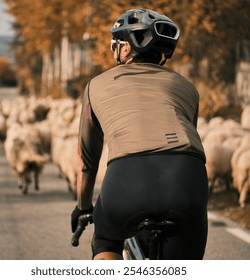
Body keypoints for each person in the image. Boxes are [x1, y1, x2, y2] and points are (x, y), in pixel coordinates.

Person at [71, 8, 208, 260]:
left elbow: (86, 161)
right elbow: (189, 136)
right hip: (187, 180)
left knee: (105, 240)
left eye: (116, 44)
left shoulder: (96, 85)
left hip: (126, 180)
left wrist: (83, 207)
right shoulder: (188, 88)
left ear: (124, 48)